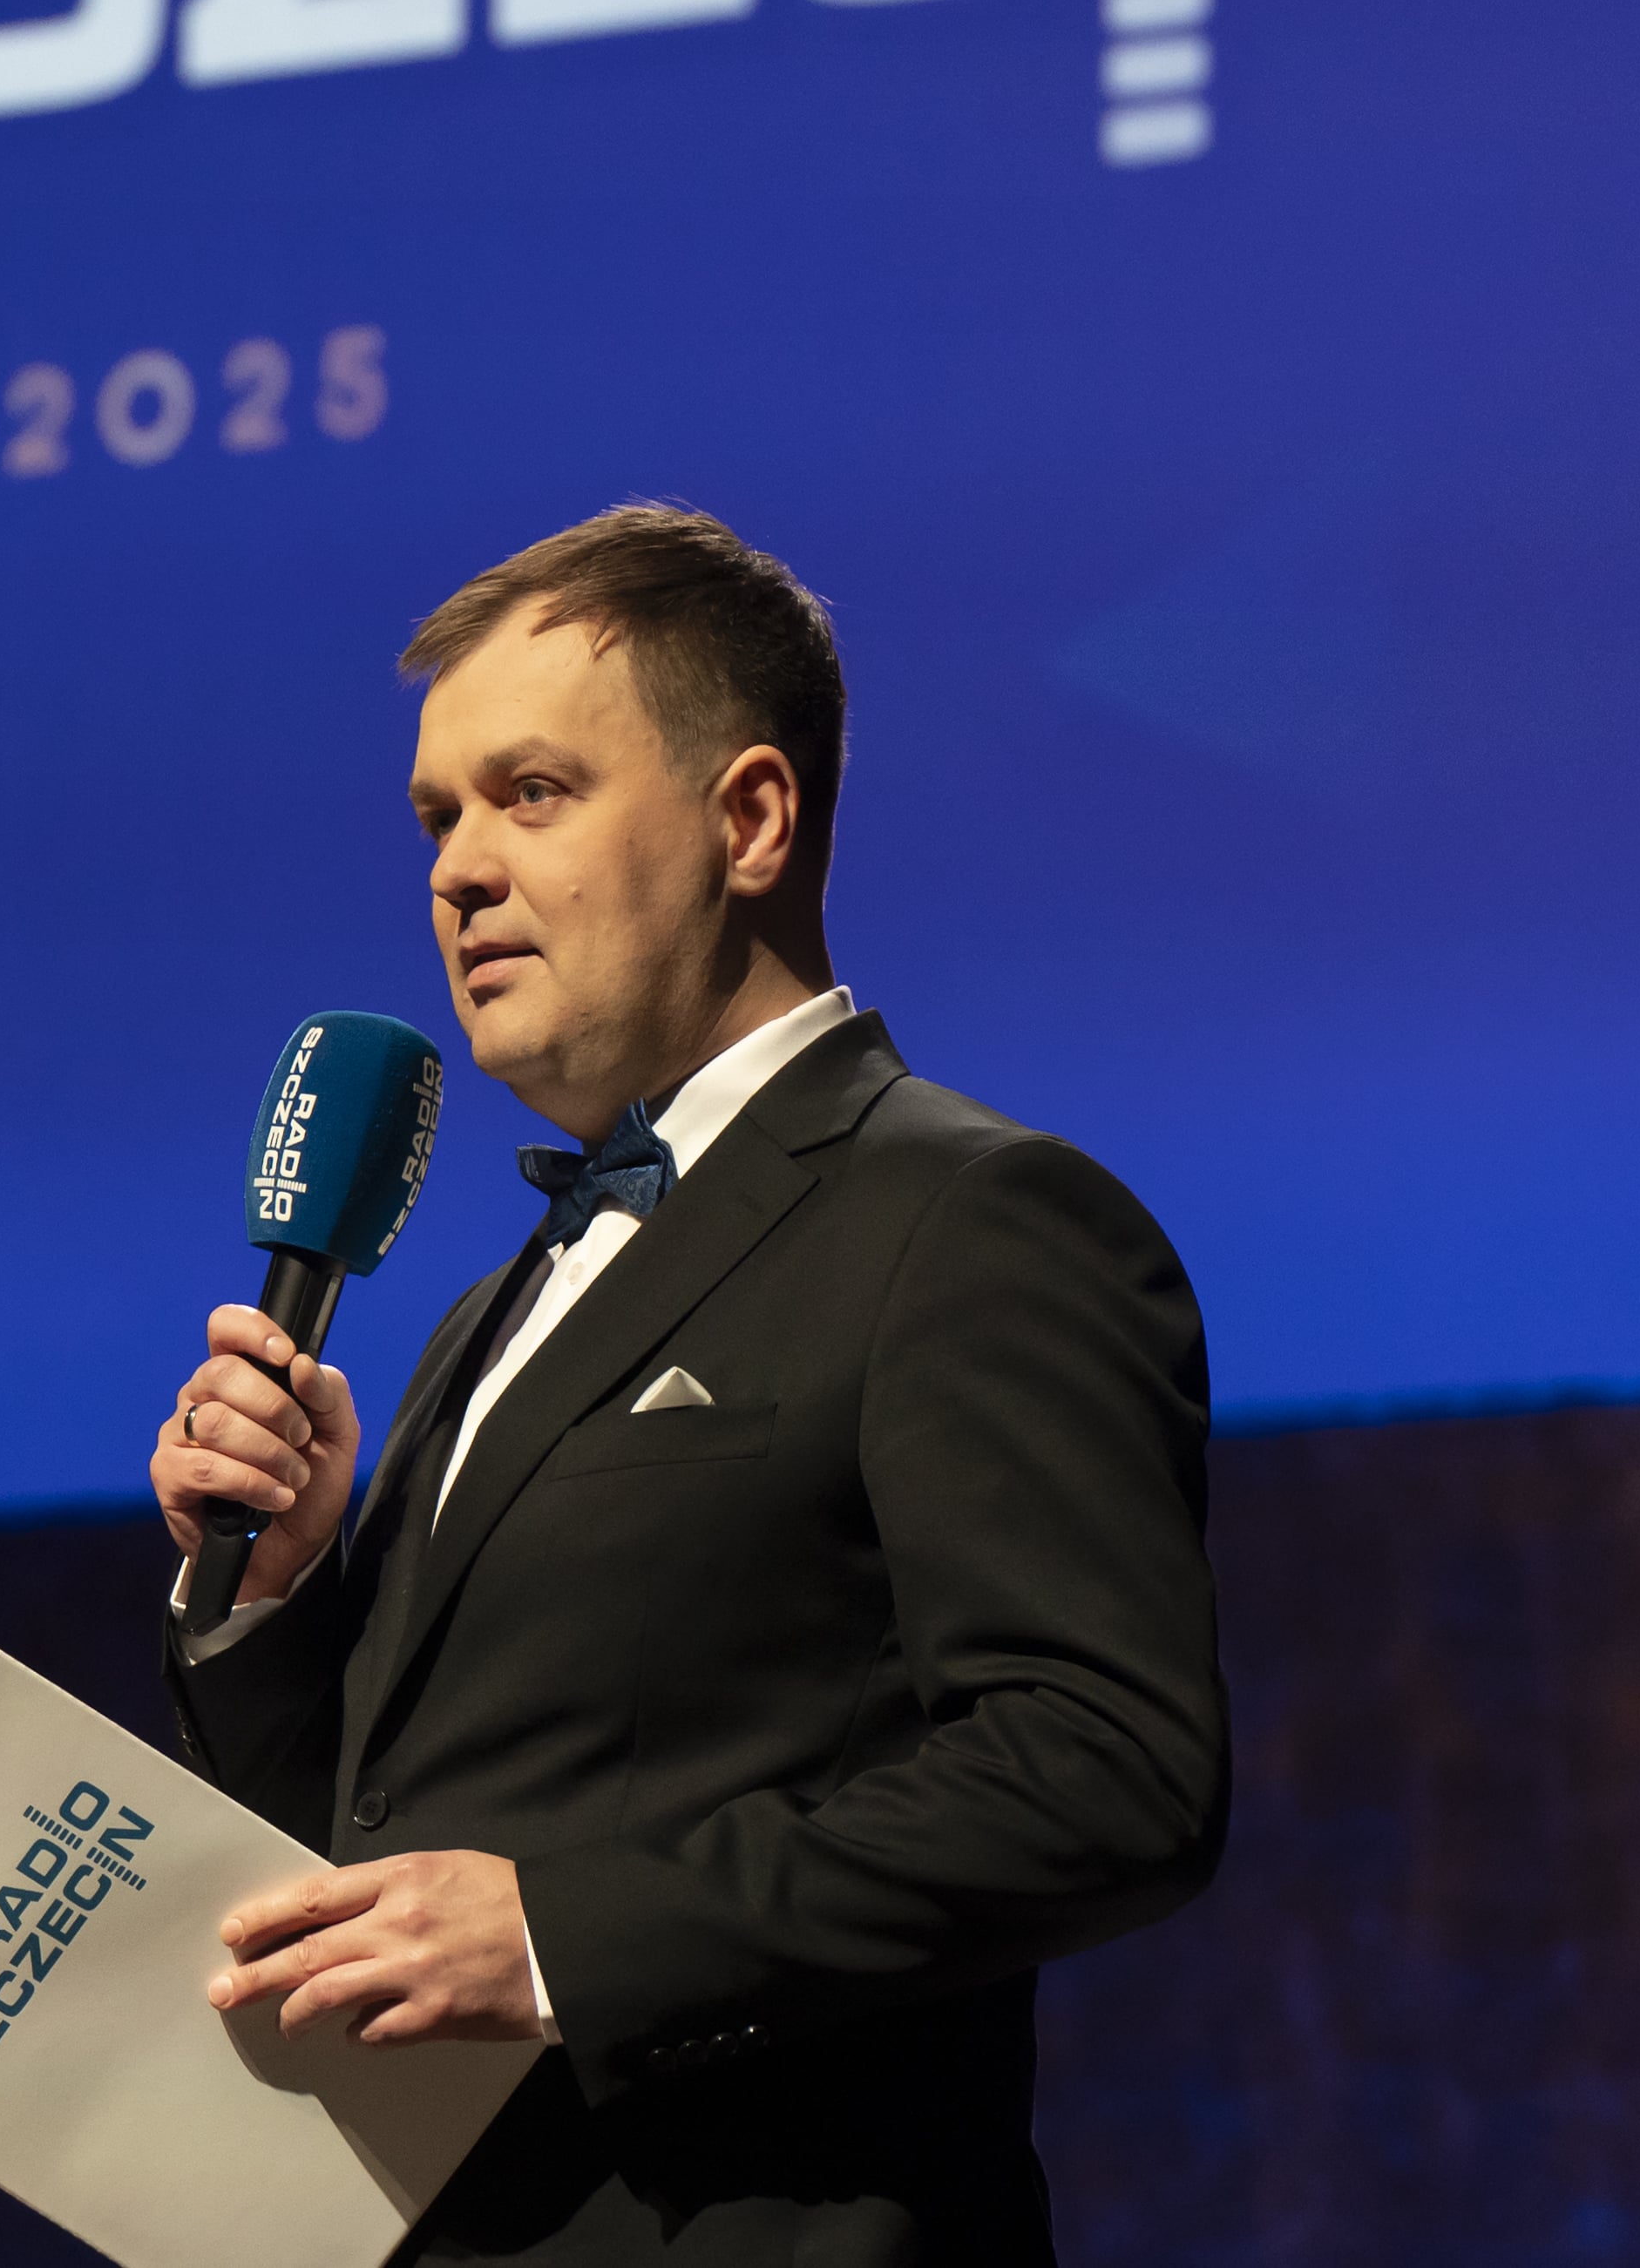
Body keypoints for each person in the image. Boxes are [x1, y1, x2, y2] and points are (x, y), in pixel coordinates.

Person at [151, 504, 1226, 2265]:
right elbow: (386, 1849)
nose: (457, 871)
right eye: (436, 817)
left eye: (531, 793)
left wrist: (561, 1943)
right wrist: (275, 1604)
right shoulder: (489, 1310)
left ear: (750, 820)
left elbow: (1104, 1772)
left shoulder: (968, 1217)